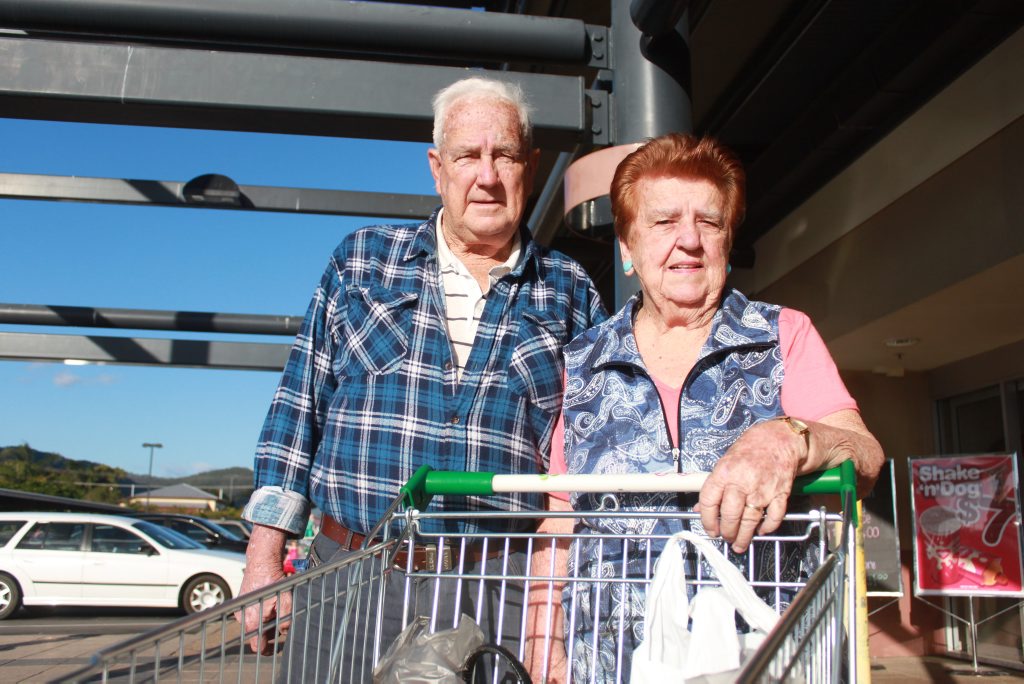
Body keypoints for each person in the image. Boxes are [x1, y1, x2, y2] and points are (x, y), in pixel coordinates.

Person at [237, 76, 607, 680]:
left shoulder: (570, 291)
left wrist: (557, 607)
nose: (486, 176)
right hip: (353, 577)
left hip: (499, 587)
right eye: (467, 155)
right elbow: (295, 409)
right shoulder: (360, 262)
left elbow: (587, 455)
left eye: (505, 155)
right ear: (438, 168)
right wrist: (263, 558)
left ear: (531, 168)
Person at [527, 132, 885, 683]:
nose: (688, 241)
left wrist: (788, 438)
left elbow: (864, 456)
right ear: (627, 247)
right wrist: (545, 643)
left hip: (759, 656)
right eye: (664, 222)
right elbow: (560, 520)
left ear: (727, 239)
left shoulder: (782, 335)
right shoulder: (581, 364)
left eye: (709, 223)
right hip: (608, 663)